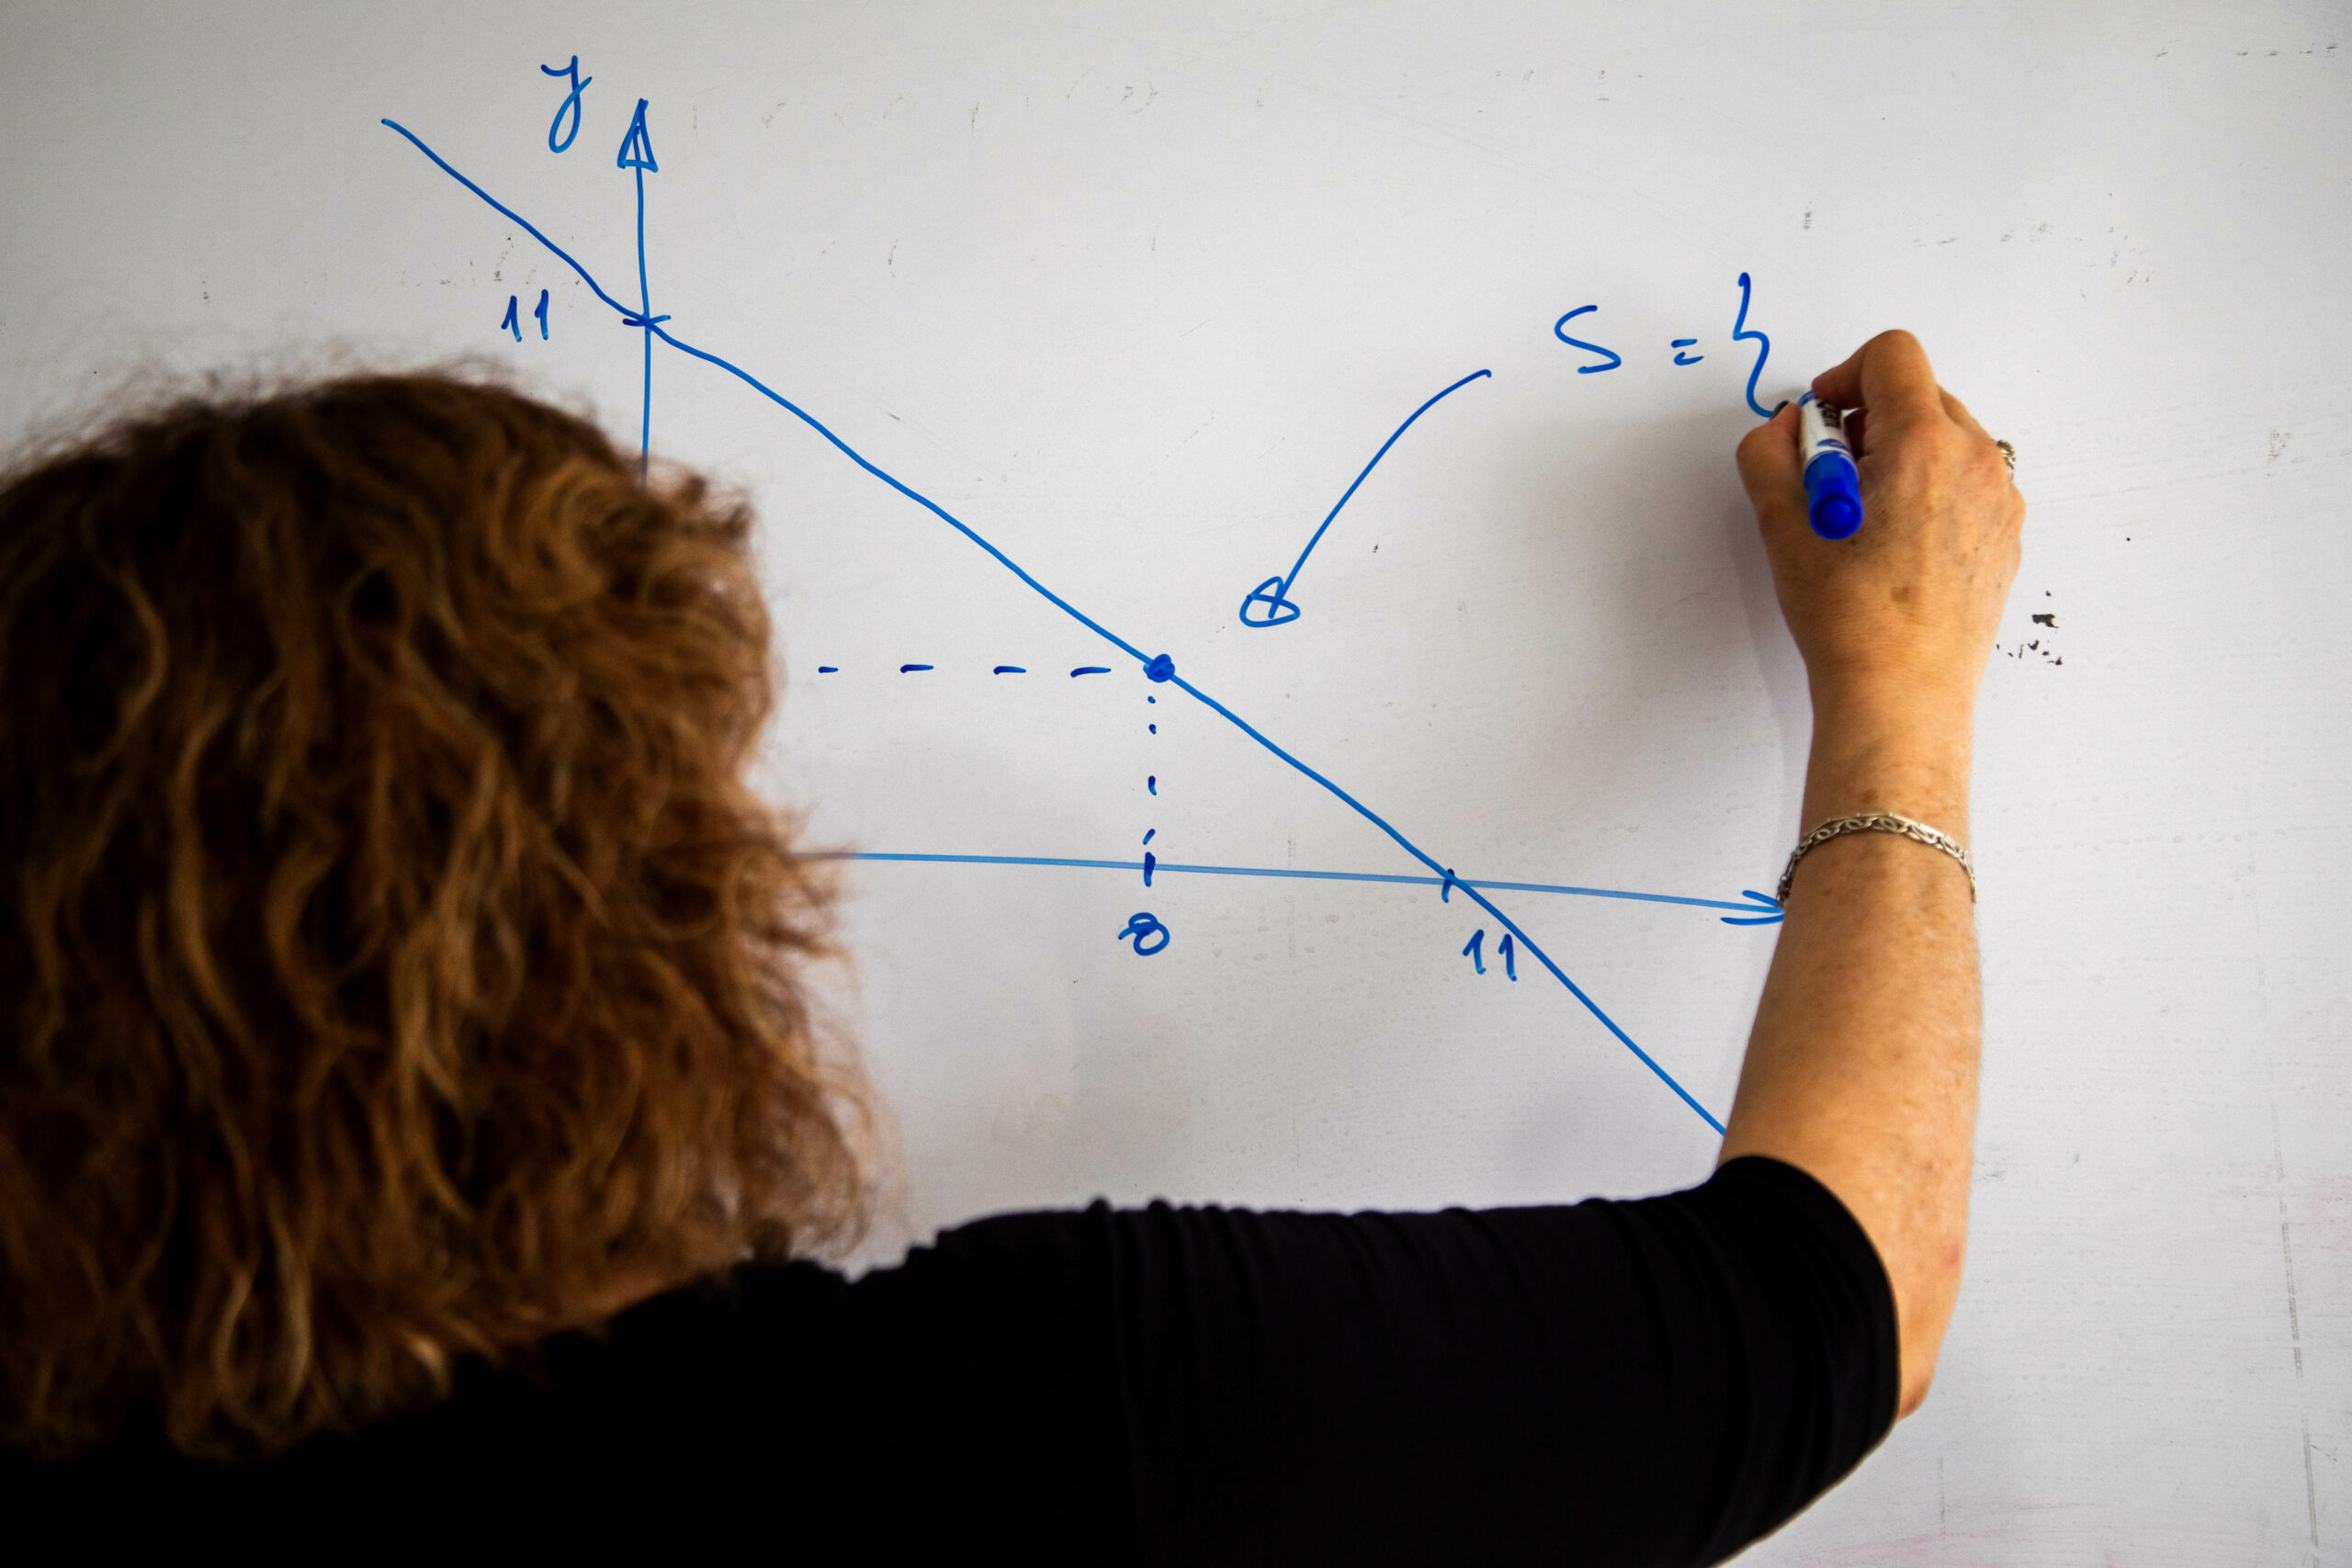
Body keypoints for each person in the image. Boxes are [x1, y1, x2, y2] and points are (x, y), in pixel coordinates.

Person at [0, 331, 2019, 1561]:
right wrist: (1901, 687)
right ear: (610, 934)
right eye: (698, 799)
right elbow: (1833, 1299)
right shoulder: (970, 1435)